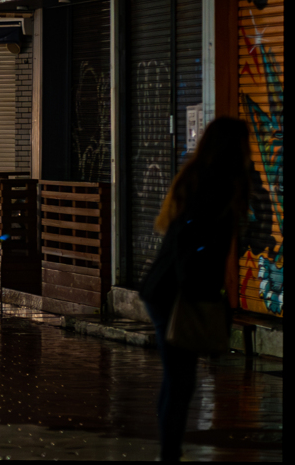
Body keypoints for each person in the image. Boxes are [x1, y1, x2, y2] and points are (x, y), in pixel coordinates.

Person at [139, 117, 252, 462]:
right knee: (181, 379)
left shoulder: (201, 176)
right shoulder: (213, 184)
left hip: (165, 288)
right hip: (175, 291)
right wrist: (199, 297)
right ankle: (169, 453)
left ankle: (168, 450)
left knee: (178, 377)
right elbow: (192, 244)